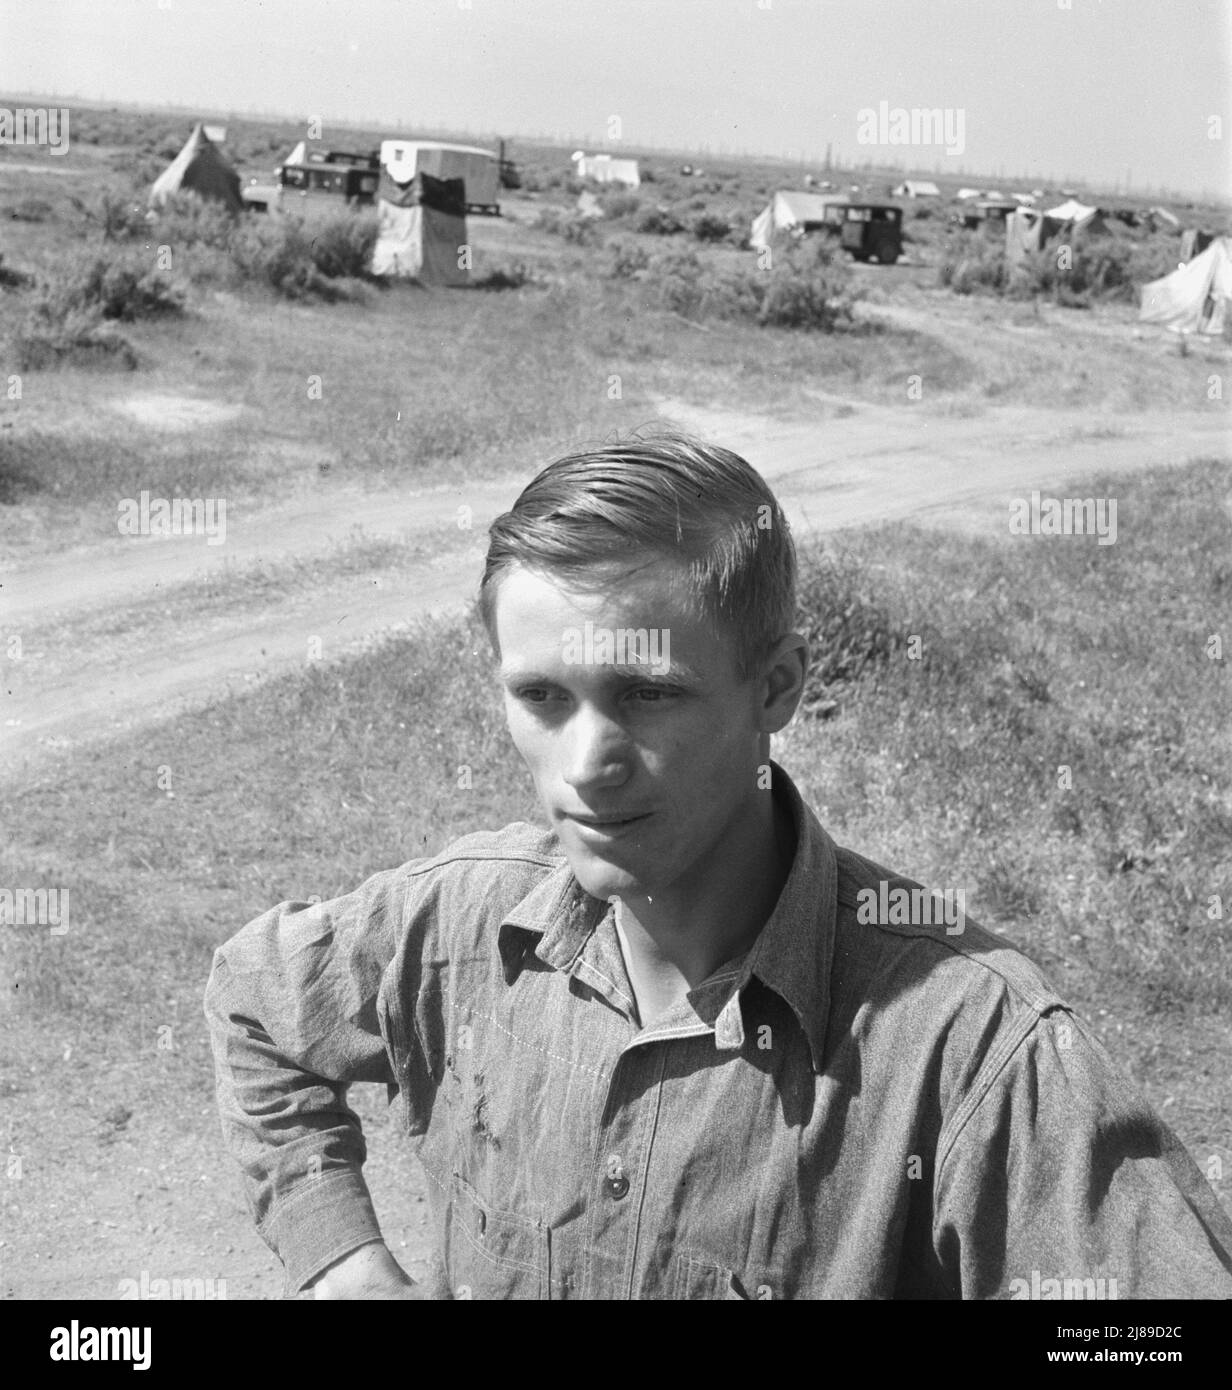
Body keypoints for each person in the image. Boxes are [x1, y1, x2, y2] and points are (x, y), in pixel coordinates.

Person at [205, 432, 1232, 1300]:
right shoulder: (457, 925)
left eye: (647, 695)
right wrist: (343, 1264)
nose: (585, 767)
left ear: (775, 687)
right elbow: (253, 999)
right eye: (541, 697)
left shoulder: (972, 1052)